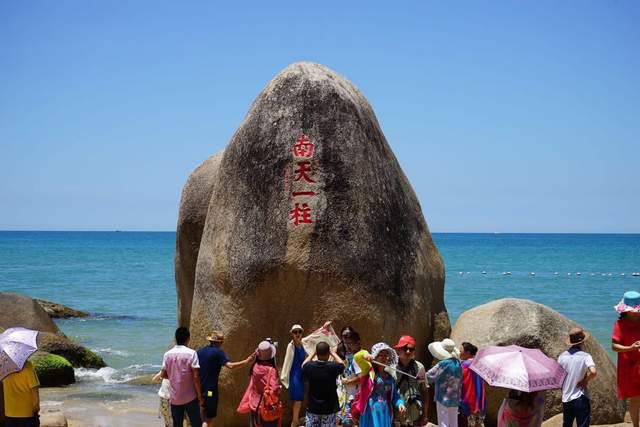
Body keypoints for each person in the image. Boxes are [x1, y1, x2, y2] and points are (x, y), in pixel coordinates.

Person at [198, 331, 256, 427]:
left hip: (200, 389)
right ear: (220, 342)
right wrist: (246, 361)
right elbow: (230, 366)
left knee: (204, 412)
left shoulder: (200, 352)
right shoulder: (218, 353)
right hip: (210, 391)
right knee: (208, 418)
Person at [353, 342, 407, 427]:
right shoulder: (368, 371)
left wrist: (400, 403)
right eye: (381, 355)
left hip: (384, 412)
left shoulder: (390, 378)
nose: (384, 357)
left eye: (386, 355)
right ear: (375, 356)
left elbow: (395, 396)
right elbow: (357, 357)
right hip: (370, 412)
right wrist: (365, 354)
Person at [160, 326, 203, 427]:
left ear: (175, 339)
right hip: (190, 397)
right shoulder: (192, 353)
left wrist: (175, 376)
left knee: (177, 424)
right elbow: (196, 377)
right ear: (188, 339)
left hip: (175, 398)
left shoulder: (167, 354)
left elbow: (163, 374)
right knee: (196, 424)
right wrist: (200, 396)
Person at [557, 328, 596, 427]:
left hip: (566, 397)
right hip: (581, 396)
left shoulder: (561, 357)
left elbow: (558, 377)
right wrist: (585, 381)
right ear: (582, 342)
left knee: (567, 424)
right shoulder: (585, 356)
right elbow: (593, 372)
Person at [612, 291, 640, 427]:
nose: (635, 313)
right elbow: (614, 346)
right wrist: (631, 348)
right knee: (635, 400)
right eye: (633, 311)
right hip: (629, 368)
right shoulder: (620, 325)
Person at [237, 340, 282, 427]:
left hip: (254, 406)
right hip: (266, 408)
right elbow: (274, 389)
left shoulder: (255, 367)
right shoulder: (271, 370)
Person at [302, 341, 345, 427]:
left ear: (317, 353)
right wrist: (333, 353)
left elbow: (303, 365)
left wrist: (313, 353)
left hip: (313, 408)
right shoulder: (333, 367)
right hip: (329, 409)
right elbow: (342, 364)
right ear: (328, 354)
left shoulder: (310, 366)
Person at [393, 335, 428, 427]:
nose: (408, 351)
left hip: (415, 416)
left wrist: (425, 414)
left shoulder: (419, 367)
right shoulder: (390, 368)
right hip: (396, 417)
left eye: (411, 349)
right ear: (398, 350)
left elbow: (424, 391)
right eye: (405, 348)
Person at [426, 338, 462, 427]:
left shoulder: (444, 363)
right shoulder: (458, 363)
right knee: (454, 422)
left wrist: (420, 377)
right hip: (455, 397)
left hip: (443, 397)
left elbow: (429, 375)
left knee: (443, 422)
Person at [281, 324, 308, 427]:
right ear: (291, 334)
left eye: (299, 332)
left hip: (301, 375)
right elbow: (287, 362)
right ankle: (295, 422)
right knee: (298, 399)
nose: (297, 334)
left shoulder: (303, 345)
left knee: (299, 399)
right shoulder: (291, 346)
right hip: (295, 375)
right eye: (295, 332)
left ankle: (295, 421)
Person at [2, 360, 39, 427]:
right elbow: (34, 389)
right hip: (27, 413)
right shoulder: (27, 365)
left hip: (9, 413)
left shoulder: (3, 366)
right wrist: (36, 407)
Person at [338, 331, 362, 426]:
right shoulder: (349, 356)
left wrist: (348, 381)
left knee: (350, 422)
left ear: (358, 343)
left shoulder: (359, 357)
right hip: (347, 396)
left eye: (350, 343)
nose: (348, 346)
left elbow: (361, 377)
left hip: (355, 396)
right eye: (346, 344)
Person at [459, 342, 486, 427]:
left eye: (461, 350)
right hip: (480, 400)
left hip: (469, 400)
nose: (459, 352)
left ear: (467, 353)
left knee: (471, 423)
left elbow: (461, 381)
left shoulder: (465, 365)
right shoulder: (479, 363)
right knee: (479, 423)